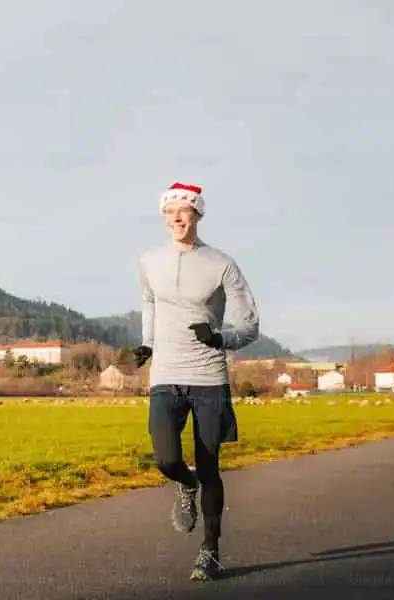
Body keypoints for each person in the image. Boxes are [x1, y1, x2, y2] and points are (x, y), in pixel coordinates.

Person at [133, 181, 260, 581]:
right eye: (170, 211)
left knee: (210, 468)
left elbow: (250, 323)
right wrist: (148, 344)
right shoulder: (149, 261)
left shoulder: (222, 264)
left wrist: (222, 339)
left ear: (197, 215)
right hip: (166, 375)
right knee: (166, 458)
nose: (177, 217)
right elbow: (149, 303)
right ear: (163, 217)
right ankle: (183, 485)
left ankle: (211, 551)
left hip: (208, 376)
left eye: (184, 211)